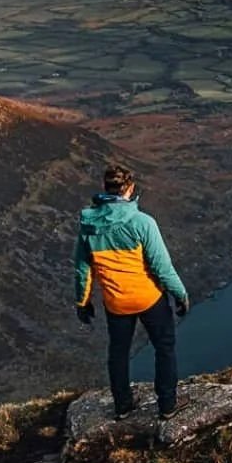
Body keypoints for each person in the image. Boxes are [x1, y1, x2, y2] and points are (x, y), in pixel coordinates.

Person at [73, 163, 191, 419]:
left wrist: (82, 302)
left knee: (118, 353)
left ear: (105, 188)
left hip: (116, 303)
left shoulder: (88, 226)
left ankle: (123, 405)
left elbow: (83, 269)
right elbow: (162, 267)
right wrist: (180, 294)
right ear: (130, 189)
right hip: (149, 299)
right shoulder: (142, 223)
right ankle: (167, 405)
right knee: (164, 348)